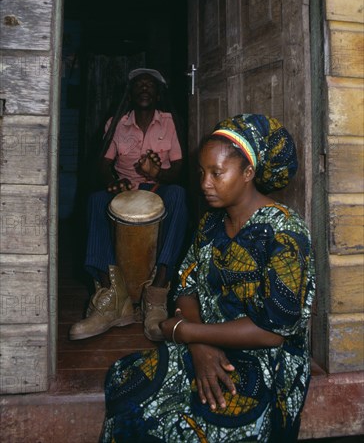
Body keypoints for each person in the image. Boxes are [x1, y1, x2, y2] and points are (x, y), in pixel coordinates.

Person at [98, 113, 316, 443]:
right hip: (206, 343)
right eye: (201, 172)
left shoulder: (286, 233)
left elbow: (273, 331)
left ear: (248, 173)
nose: (205, 184)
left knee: (192, 423)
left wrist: (186, 331)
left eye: (217, 173)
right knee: (126, 386)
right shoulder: (211, 224)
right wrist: (199, 343)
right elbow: (186, 286)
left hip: (265, 363)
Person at [69, 68, 189, 342]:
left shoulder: (169, 122)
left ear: (158, 95)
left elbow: (180, 169)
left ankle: (157, 294)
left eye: (150, 85)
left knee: (179, 195)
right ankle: (111, 296)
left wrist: (157, 174)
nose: (144, 88)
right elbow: (103, 163)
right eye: (138, 85)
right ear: (131, 94)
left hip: (158, 188)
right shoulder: (117, 123)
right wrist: (114, 181)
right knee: (96, 200)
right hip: (126, 189)